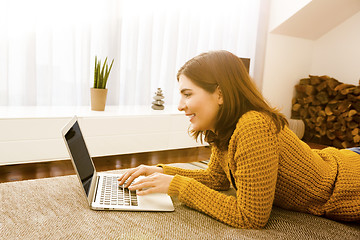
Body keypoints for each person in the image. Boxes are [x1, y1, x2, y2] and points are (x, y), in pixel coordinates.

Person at [118, 50, 360, 229]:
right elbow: (216, 179)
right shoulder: (224, 127)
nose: (181, 106)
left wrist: (177, 185)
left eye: (187, 94)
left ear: (220, 93)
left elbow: (251, 217)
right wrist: (159, 171)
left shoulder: (253, 125)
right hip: (338, 159)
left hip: (349, 185)